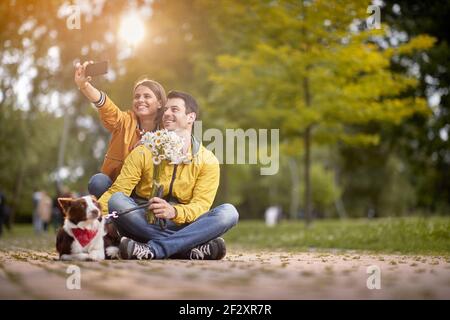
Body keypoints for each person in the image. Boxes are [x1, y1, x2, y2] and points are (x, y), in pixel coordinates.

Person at [98, 91, 239, 260]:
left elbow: (201, 206)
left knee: (229, 213)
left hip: (185, 224)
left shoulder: (208, 160)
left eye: (174, 109)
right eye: (165, 110)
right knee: (117, 201)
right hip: (144, 221)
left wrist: (174, 211)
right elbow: (119, 189)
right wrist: (90, 217)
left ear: (190, 117)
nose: (166, 114)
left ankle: (153, 249)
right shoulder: (144, 150)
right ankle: (188, 248)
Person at [74, 61, 167, 199]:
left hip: (147, 193)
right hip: (117, 188)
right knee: (98, 182)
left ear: (160, 103)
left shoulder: (167, 131)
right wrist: (84, 85)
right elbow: (106, 106)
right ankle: (113, 214)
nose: (140, 100)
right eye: (137, 96)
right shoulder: (124, 121)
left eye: (147, 96)